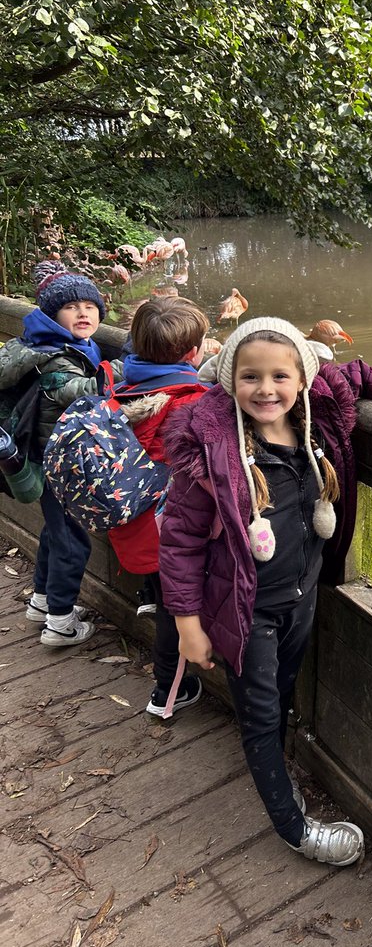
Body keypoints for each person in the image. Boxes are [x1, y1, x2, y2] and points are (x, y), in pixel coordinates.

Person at [157, 317, 372, 866]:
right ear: (230, 380)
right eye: (250, 376)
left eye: (280, 375)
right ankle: (293, 826)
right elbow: (179, 539)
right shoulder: (213, 449)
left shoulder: (314, 424)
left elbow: (362, 375)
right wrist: (186, 623)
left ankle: (271, 763)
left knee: (277, 694)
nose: (266, 389)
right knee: (261, 713)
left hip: (301, 600)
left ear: (303, 378)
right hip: (245, 611)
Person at [0, 263, 122, 646]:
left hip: (43, 454)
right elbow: (85, 389)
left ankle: (41, 602)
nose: (84, 313)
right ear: (53, 315)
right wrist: (135, 361)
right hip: (58, 462)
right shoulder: (53, 356)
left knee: (56, 531)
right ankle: (60, 623)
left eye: (90, 305)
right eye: (72, 307)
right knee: (72, 539)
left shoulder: (43, 341)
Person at [107, 296, 211, 718]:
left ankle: (148, 595)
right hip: (168, 526)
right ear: (193, 353)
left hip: (131, 514)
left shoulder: (120, 386)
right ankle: (169, 690)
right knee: (177, 608)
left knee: (160, 583)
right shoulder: (190, 401)